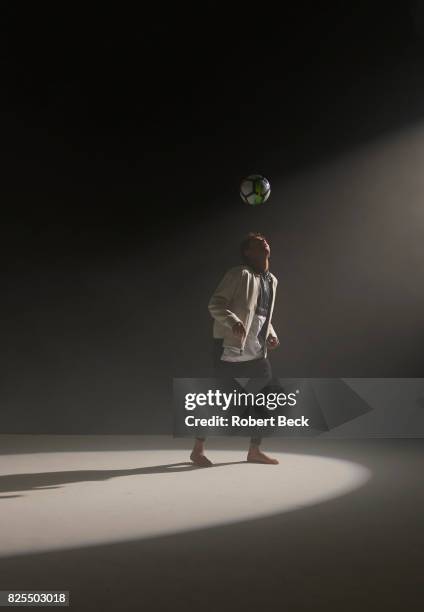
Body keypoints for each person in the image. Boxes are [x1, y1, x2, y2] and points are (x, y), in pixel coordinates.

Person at [190, 232, 280, 467]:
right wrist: (233, 322)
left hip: (257, 353)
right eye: (257, 242)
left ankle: (254, 451)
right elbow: (216, 304)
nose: (263, 241)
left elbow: (262, 316)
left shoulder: (272, 281)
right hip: (231, 350)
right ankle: (197, 449)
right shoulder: (239, 274)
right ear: (248, 252)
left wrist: (271, 335)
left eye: (264, 240)